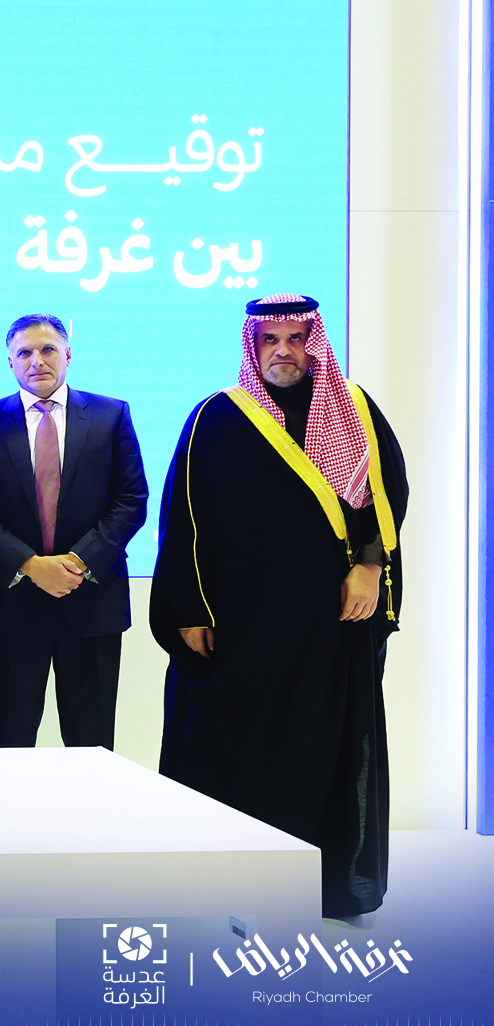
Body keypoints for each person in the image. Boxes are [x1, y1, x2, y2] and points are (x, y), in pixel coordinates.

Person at [151, 294, 406, 922]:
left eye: (296, 339)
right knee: (231, 748)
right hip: (243, 631)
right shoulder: (216, 416)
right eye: (270, 340)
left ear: (313, 343)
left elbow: (387, 495)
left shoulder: (354, 410)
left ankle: (324, 887)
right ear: (253, 345)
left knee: (325, 750)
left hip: (330, 625)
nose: (283, 352)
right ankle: (231, 884)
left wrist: (369, 567)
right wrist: (190, 608)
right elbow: (183, 519)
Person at [0, 314, 147, 749]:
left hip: (91, 602)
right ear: (10, 361)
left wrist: (77, 563)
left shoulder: (111, 415)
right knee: (9, 741)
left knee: (92, 745)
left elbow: (131, 499)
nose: (36, 360)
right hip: (10, 608)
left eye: (48, 349)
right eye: (24, 352)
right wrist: (30, 565)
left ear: (68, 354)